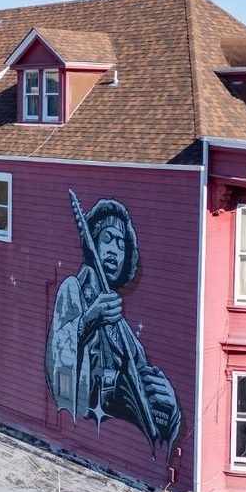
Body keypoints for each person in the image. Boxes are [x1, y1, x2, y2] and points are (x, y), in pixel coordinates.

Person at [46, 195, 181, 457]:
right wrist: (87, 323)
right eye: (107, 238)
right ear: (92, 242)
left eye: (121, 245)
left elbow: (144, 401)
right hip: (87, 431)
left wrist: (169, 405)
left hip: (125, 442)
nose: (114, 250)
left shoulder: (126, 335)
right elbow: (57, 359)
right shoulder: (73, 290)